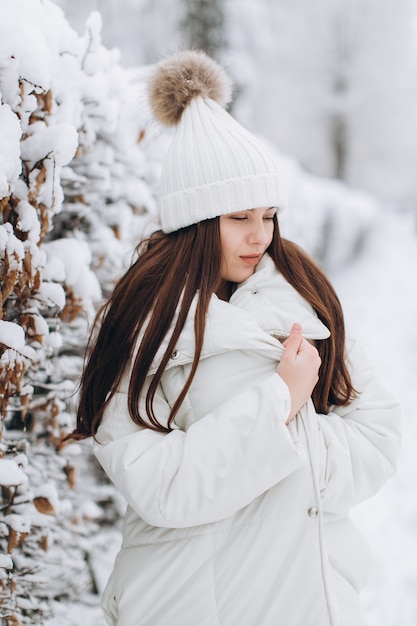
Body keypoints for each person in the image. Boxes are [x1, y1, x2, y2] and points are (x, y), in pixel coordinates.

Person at [68, 50, 401, 626]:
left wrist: (286, 472)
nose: (259, 236)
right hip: (192, 606)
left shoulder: (301, 298)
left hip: (307, 602)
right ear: (196, 222)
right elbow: (161, 486)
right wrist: (279, 402)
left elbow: (377, 432)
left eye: (269, 215)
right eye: (238, 217)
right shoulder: (142, 328)